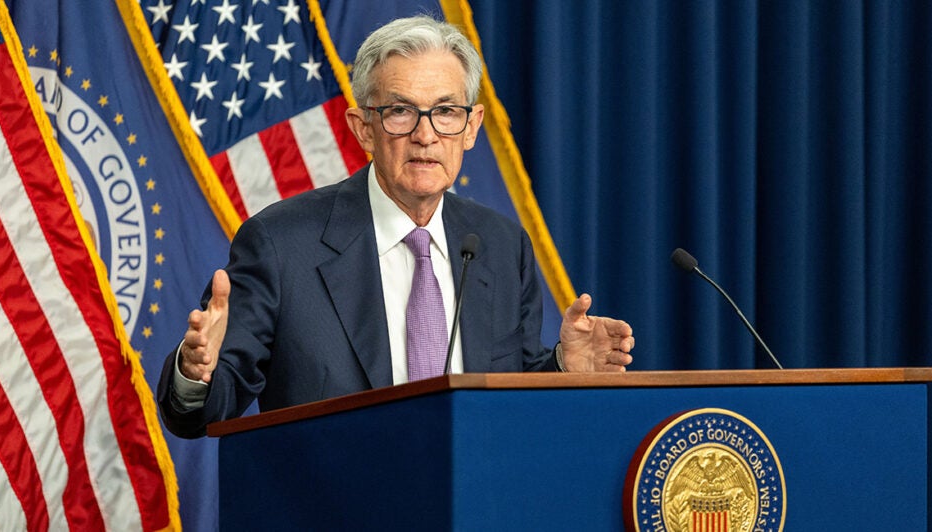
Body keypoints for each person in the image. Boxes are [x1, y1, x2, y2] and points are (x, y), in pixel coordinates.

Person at [156, 15, 634, 439]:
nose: (425, 135)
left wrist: (563, 369)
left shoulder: (501, 245)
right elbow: (201, 413)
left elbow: (511, 400)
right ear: (363, 127)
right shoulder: (281, 244)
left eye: (446, 112)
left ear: (471, 127)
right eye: (401, 111)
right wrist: (196, 373)